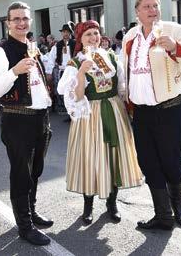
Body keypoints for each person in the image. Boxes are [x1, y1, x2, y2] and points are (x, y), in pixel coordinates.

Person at [120, 0, 181, 230]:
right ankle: (163, 215)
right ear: (137, 11)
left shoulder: (174, 30)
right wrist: (123, 98)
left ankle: (177, 207)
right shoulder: (130, 37)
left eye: (155, 6)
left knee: (171, 161)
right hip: (141, 112)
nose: (153, 10)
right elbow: (126, 72)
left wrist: (175, 47)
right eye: (147, 6)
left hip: (170, 109)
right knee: (147, 162)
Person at [57, 20, 143, 225]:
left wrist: (129, 111)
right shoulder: (75, 63)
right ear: (80, 39)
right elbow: (75, 97)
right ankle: (88, 207)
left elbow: (122, 88)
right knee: (91, 158)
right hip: (90, 115)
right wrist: (81, 72)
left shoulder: (112, 57)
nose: (93, 38)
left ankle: (112, 204)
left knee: (113, 157)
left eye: (96, 33)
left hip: (114, 111)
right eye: (88, 35)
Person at [0, 1, 53, 246]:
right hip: (17, 119)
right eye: (16, 19)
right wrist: (14, 71)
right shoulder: (1, 51)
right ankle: (24, 226)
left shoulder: (32, 46)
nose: (21, 23)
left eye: (25, 18)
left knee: (35, 170)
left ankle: (31, 213)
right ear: (8, 22)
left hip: (39, 118)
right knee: (21, 174)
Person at [46, 23, 76, 116]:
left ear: (70, 33)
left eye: (67, 32)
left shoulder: (75, 43)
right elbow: (51, 59)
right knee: (63, 91)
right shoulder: (57, 46)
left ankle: (74, 111)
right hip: (62, 71)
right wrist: (49, 72)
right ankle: (67, 111)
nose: (65, 34)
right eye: (63, 32)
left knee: (73, 91)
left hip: (73, 70)